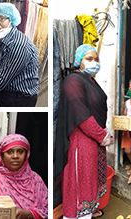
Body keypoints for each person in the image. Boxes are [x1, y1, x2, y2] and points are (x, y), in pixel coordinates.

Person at [53, 44, 113, 219]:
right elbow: (81, 115)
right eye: (89, 59)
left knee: (89, 182)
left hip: (94, 140)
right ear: (79, 61)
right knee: (81, 185)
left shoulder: (90, 80)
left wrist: (101, 134)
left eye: (96, 59)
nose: (94, 62)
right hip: (82, 142)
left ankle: (88, 211)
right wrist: (102, 136)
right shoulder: (73, 81)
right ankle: (77, 215)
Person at [0, 134, 48, 219]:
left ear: (26, 154)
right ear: (1, 155)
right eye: (9, 152)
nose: (15, 156)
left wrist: (30, 214)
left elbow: (48, 208)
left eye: (20, 151)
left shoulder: (35, 179)